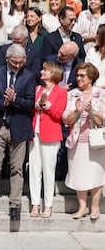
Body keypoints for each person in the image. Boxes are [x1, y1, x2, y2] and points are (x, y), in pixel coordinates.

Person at [0, 44, 35, 220]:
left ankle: (15, 204)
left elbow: (30, 103)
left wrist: (15, 99)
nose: (17, 66)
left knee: (17, 168)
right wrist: (4, 103)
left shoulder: (29, 76)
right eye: (14, 62)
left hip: (19, 126)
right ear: (7, 59)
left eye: (21, 62)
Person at [62, 62, 105, 220]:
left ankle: (95, 208)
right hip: (76, 140)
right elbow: (65, 118)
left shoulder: (100, 93)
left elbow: (104, 119)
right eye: (77, 75)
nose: (78, 78)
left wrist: (92, 112)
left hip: (96, 141)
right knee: (78, 173)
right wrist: (77, 111)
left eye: (82, 76)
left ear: (91, 77)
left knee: (96, 174)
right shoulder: (72, 94)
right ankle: (82, 207)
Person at [29, 62, 67, 218]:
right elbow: (30, 108)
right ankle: (35, 204)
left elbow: (59, 114)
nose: (42, 71)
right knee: (34, 168)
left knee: (48, 170)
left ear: (54, 74)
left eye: (45, 70)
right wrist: (37, 105)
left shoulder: (61, 92)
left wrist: (47, 105)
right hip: (35, 132)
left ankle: (48, 205)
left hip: (50, 134)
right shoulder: (38, 89)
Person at [86, 24, 105, 88]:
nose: (96, 36)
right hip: (91, 88)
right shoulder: (92, 51)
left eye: (98, 34)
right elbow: (85, 69)